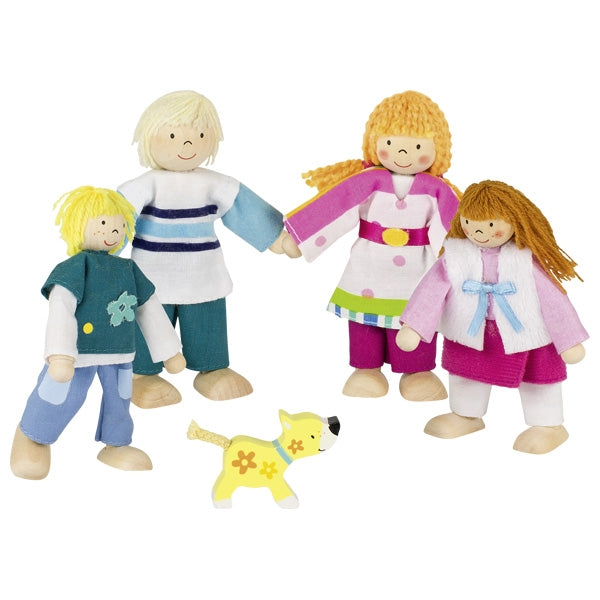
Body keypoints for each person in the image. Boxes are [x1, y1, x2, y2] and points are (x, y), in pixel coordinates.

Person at [118, 90, 298, 407]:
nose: (188, 144)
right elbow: (115, 217)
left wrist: (277, 238)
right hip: (151, 279)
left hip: (203, 274)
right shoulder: (144, 185)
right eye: (173, 136)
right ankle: (141, 375)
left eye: (200, 135)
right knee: (147, 323)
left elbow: (244, 209)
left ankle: (212, 368)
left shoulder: (215, 183)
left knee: (206, 322)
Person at [284, 91, 460, 399]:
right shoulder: (367, 181)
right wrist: (301, 237)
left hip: (417, 269)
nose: (402, 153)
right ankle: (366, 370)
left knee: (416, 316)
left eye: (417, 147)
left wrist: (466, 263)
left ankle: (416, 372)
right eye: (391, 143)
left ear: (438, 149)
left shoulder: (437, 190)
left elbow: (452, 227)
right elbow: (334, 207)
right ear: (374, 142)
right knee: (364, 320)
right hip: (368, 266)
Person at [396, 180, 588, 453]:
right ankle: (466, 414)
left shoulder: (524, 260)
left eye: (489, 224)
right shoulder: (455, 257)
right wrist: (414, 326)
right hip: (471, 328)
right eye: (470, 223)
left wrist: (568, 340)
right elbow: (431, 291)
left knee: (538, 376)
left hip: (525, 331)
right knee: (466, 371)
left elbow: (553, 300)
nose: (478, 231)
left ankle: (548, 424)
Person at [10, 186, 185, 479]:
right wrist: (60, 354)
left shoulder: (128, 268)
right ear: (79, 224)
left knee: (120, 401)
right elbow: (61, 307)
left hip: (120, 353)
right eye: (103, 223)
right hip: (78, 353)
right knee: (60, 395)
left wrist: (169, 351)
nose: (112, 230)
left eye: (118, 224)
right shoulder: (76, 267)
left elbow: (149, 308)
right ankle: (33, 434)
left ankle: (117, 443)